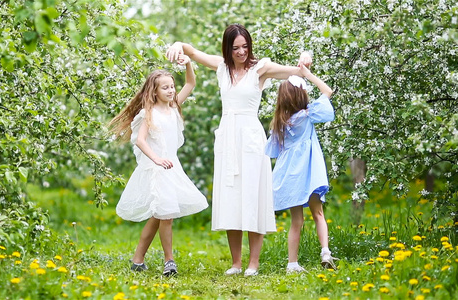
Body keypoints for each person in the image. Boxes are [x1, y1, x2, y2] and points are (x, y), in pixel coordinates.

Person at [166, 24, 311, 277]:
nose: (241, 52)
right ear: (228, 48)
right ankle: (236, 263)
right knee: (231, 197)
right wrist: (178, 46)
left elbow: (296, 71)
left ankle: (253, 263)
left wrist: (304, 59)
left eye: (245, 46)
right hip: (228, 138)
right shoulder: (222, 68)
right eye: (236, 48)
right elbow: (192, 51)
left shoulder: (260, 68)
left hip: (252, 138)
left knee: (253, 196)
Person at [108, 55, 208, 276]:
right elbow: (141, 140)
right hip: (157, 169)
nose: (171, 90)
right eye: (165, 88)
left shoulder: (173, 107)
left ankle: (137, 259)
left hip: (171, 167)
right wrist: (156, 159)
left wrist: (188, 63)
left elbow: (190, 83)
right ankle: (169, 261)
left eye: (172, 86)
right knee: (166, 215)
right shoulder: (148, 113)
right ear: (154, 92)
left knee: (160, 216)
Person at [265, 65, 338, 273]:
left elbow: (272, 151)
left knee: (296, 221)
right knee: (318, 214)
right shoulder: (308, 115)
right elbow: (327, 92)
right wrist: (307, 74)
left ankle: (292, 263)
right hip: (309, 173)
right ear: (301, 95)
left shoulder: (280, 124)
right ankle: (325, 251)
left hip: (291, 176)